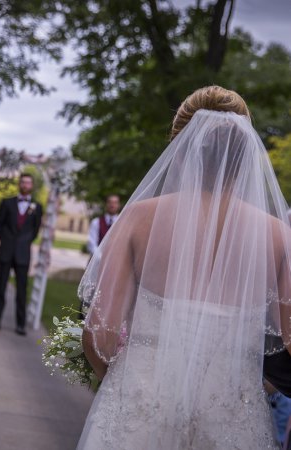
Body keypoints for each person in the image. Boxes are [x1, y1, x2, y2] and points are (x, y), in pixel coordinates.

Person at [77, 86, 289, 449]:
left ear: (181, 143)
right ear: (245, 152)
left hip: (141, 404)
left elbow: (100, 335)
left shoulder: (139, 219)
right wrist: (251, 387)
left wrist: (124, 384)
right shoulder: (278, 236)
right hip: (231, 415)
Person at [0, 173, 43, 335]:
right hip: (6, 251)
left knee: (21, 290)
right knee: (0, 287)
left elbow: (35, 231)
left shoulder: (37, 207)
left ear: (31, 186)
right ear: (19, 184)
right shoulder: (7, 203)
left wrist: (23, 243)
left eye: (28, 183)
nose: (25, 185)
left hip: (23, 254)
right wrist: (7, 241)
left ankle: (20, 324)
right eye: (23, 182)